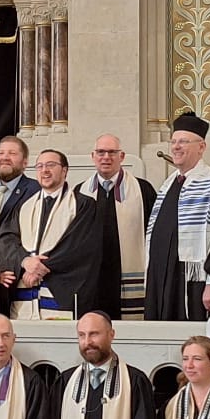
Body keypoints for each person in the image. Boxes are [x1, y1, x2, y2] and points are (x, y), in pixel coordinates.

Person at [145, 112, 210, 322]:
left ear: (201, 147)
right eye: (173, 141)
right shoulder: (168, 185)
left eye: (183, 142)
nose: (175, 147)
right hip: (164, 279)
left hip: (197, 285)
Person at [0, 150, 120, 320]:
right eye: (40, 166)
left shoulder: (83, 205)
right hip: (24, 299)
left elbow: (79, 247)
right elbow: (7, 239)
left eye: (51, 165)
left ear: (64, 170)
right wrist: (26, 261)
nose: (44, 170)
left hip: (61, 295)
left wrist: (39, 269)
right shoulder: (24, 206)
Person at [81, 135, 157, 319]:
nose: (106, 157)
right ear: (93, 156)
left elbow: (155, 236)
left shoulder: (143, 190)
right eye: (101, 152)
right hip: (94, 279)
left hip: (128, 276)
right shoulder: (80, 192)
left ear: (121, 156)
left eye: (112, 152)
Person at [0, 136, 39, 222]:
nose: (5, 158)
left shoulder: (36, 191)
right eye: (1, 153)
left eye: (12, 153)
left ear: (25, 163)